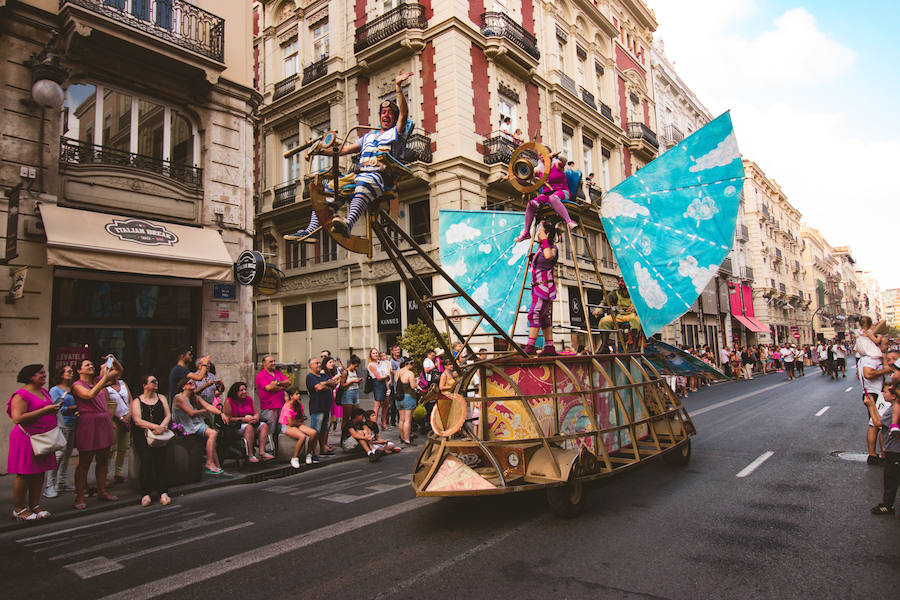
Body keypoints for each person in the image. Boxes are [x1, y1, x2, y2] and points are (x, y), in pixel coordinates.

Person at [285, 70, 413, 241]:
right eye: (383, 113)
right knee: (330, 187)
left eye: (390, 113)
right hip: (360, 174)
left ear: (395, 118)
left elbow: (404, 115)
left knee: (364, 182)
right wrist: (321, 150)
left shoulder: (397, 133)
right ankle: (310, 230)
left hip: (380, 176)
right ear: (380, 116)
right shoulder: (368, 137)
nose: (386, 115)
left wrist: (398, 88)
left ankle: (348, 223)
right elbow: (342, 151)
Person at [8, 364, 60, 521]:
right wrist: (46, 410)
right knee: (25, 473)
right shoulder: (21, 394)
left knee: (39, 472)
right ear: (31, 376)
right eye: (41, 373)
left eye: (44, 372)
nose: (44, 375)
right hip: (26, 438)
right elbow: (17, 418)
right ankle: (19, 508)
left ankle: (35, 505)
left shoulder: (44, 391)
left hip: (43, 437)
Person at [72, 357, 119, 509]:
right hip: (88, 424)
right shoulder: (77, 385)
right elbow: (89, 395)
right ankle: (79, 496)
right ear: (79, 370)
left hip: (103, 422)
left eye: (91, 364)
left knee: (104, 458)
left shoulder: (98, 380)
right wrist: (104, 377)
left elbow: (119, 371)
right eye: (87, 365)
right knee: (85, 461)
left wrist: (114, 360)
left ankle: (102, 490)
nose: (91, 366)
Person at [514, 151, 577, 242]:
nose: (541, 156)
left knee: (553, 198)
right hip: (547, 195)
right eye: (540, 155)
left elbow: (564, 160)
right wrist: (516, 176)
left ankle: (569, 221)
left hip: (562, 192)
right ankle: (526, 232)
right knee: (531, 204)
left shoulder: (557, 164)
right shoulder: (539, 169)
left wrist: (556, 155)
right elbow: (526, 175)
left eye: (543, 153)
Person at [172, 377, 229, 476]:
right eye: (190, 383)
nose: (192, 384)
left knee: (212, 440)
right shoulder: (179, 398)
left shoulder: (195, 397)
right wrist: (203, 411)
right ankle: (209, 462)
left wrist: (221, 413)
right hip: (186, 426)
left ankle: (218, 467)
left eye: (193, 383)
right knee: (213, 433)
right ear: (183, 387)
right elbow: (191, 413)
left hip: (196, 424)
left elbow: (208, 406)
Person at [130, 374, 172, 507]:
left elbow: (168, 415)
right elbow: (137, 420)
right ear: (145, 385)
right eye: (153, 381)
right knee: (146, 460)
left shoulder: (161, 398)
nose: (156, 383)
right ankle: (145, 492)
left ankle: (163, 491)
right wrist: (155, 427)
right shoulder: (137, 400)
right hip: (143, 434)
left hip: (160, 435)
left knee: (161, 461)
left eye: (156, 380)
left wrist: (163, 427)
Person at [522, 221, 560, 357]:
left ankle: (531, 345)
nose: (538, 234)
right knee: (543, 317)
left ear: (547, 234)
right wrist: (534, 257)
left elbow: (549, 256)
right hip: (538, 287)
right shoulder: (541, 248)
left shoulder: (552, 247)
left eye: (541, 231)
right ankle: (549, 346)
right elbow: (544, 258)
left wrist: (544, 240)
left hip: (544, 288)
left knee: (534, 313)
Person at [865, 384, 900, 515]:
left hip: (894, 450)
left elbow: (877, 423)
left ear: (894, 396)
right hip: (893, 449)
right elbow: (880, 421)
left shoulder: (893, 410)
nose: (883, 394)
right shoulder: (892, 408)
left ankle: (887, 505)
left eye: (885, 392)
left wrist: (870, 406)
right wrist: (873, 405)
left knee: (891, 479)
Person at [45, 365, 78, 499]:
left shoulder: (72, 389)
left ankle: (61, 481)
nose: (71, 374)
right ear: (61, 374)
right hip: (61, 424)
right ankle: (49, 485)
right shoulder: (55, 390)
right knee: (58, 455)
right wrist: (75, 407)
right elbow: (57, 408)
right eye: (68, 371)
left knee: (67, 454)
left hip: (73, 424)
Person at [859, 348, 893, 465]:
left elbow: (860, 376)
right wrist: (885, 370)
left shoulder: (863, 359)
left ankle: (875, 455)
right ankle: (884, 456)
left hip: (872, 393)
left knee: (875, 425)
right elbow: (867, 374)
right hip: (878, 394)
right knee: (880, 425)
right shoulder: (873, 359)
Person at [224, 381, 273, 463]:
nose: (244, 392)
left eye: (245, 389)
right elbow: (229, 418)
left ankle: (262, 452)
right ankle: (250, 455)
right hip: (237, 426)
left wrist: (255, 418)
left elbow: (256, 412)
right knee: (248, 427)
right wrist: (244, 419)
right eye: (241, 390)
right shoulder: (229, 401)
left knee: (264, 425)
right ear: (235, 392)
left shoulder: (249, 399)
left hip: (251, 422)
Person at [306, 357, 340, 455]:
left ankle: (323, 448)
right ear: (310, 366)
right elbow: (319, 387)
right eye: (316, 363)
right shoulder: (310, 377)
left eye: (319, 363)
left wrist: (325, 383)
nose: (319, 365)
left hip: (326, 406)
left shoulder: (323, 375)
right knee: (315, 431)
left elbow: (334, 383)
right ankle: (312, 452)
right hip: (317, 407)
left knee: (324, 430)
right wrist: (326, 383)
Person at [280, 387, 319, 468]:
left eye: (299, 394)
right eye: (296, 394)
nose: (298, 395)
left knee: (313, 433)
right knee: (302, 436)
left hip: (297, 423)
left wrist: (298, 422)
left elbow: (301, 418)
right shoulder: (287, 406)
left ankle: (308, 454)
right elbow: (290, 423)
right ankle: (295, 458)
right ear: (291, 396)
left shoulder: (299, 405)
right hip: (287, 426)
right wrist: (299, 422)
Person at [256, 355, 291, 440]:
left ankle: (278, 450)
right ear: (264, 363)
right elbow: (269, 388)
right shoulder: (261, 375)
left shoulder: (277, 372)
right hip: (269, 407)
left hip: (281, 405)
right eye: (271, 362)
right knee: (270, 431)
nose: (273, 363)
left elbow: (288, 382)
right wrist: (282, 387)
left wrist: (277, 383)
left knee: (279, 430)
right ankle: (268, 449)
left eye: (274, 361)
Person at [395, 358, 419, 446]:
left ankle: (402, 437)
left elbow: (396, 382)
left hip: (399, 397)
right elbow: (413, 386)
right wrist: (417, 381)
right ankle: (407, 439)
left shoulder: (398, 372)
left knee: (401, 419)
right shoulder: (410, 373)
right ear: (410, 364)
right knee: (407, 420)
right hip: (408, 397)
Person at [339, 355, 363, 433]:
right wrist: (352, 381)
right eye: (355, 366)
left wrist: (358, 382)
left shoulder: (354, 371)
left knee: (356, 415)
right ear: (352, 364)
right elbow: (342, 385)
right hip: (347, 394)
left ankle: (353, 432)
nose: (356, 368)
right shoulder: (346, 372)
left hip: (355, 393)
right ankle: (344, 434)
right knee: (346, 417)